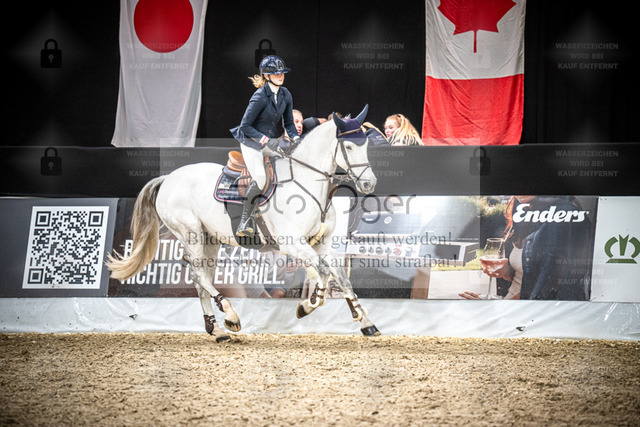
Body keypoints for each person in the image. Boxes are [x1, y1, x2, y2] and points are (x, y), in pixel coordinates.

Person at [459, 196, 592, 301]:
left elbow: (548, 291)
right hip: (513, 305)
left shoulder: (565, 216)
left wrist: (500, 306)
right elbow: (527, 274)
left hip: (525, 312)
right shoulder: (522, 211)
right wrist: (507, 272)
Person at [230, 55, 300, 237]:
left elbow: (289, 123)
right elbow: (245, 126)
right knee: (261, 178)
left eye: (282, 73)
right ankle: (244, 221)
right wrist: (265, 140)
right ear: (267, 76)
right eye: (276, 73)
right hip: (251, 142)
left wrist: (296, 138)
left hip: (269, 141)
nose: (281, 76)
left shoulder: (285, 94)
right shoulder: (260, 96)